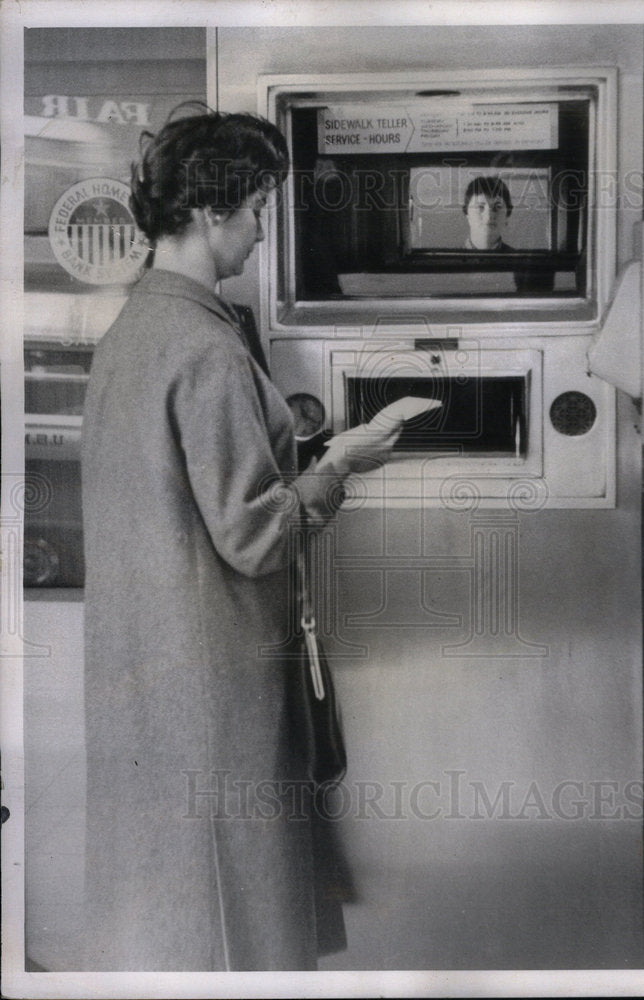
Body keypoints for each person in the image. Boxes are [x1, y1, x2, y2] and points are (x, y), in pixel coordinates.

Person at [80, 108, 403, 971]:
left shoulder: (133, 334)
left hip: (152, 681)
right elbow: (254, 537)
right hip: (217, 681)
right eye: (257, 207)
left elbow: (179, 493)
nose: (263, 231)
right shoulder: (207, 349)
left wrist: (295, 449)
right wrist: (339, 461)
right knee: (246, 925)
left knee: (180, 915)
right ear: (210, 212)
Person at [462, 175, 516, 251]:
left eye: (497, 207)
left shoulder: (523, 261)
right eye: (480, 207)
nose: (489, 215)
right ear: (467, 215)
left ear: (507, 216)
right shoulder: (445, 259)